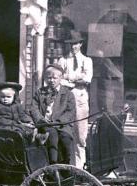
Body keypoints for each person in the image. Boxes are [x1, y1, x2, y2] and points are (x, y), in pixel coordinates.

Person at [58, 31, 93, 169]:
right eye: (71, 44)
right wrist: (75, 79)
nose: (73, 47)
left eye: (76, 44)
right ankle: (66, 168)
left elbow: (87, 79)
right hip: (65, 99)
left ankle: (79, 168)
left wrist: (68, 79)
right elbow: (58, 79)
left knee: (80, 134)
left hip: (80, 98)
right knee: (65, 131)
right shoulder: (63, 61)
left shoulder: (87, 60)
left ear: (81, 44)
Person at [29, 64, 77, 165]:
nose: (51, 80)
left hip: (62, 125)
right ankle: (53, 164)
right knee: (52, 135)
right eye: (49, 78)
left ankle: (67, 166)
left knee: (66, 138)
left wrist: (58, 122)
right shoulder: (40, 92)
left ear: (61, 78)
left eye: (55, 78)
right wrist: (40, 119)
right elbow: (34, 108)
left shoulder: (68, 94)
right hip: (45, 125)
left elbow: (70, 112)